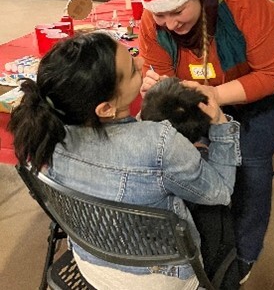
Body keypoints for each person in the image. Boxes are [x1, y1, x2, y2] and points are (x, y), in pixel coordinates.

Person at [9, 32, 241, 290]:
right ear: (105, 108)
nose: (142, 63)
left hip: (89, 262)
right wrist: (220, 124)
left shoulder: (46, 134)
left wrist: (145, 112)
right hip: (157, 278)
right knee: (218, 206)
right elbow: (220, 191)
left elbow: (122, 149)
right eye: (132, 70)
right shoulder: (160, 142)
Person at [137, 0, 274, 284]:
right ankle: (208, 240)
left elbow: (273, 73)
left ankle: (243, 254)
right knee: (201, 155)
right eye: (160, 14)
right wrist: (160, 86)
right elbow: (166, 78)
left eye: (178, 11)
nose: (169, 23)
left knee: (253, 162)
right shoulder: (154, 22)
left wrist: (215, 97)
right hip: (207, 85)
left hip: (267, 78)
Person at [141, 77, 240, 289]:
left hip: (108, 268)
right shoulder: (189, 170)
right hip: (176, 274)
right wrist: (221, 122)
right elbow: (222, 191)